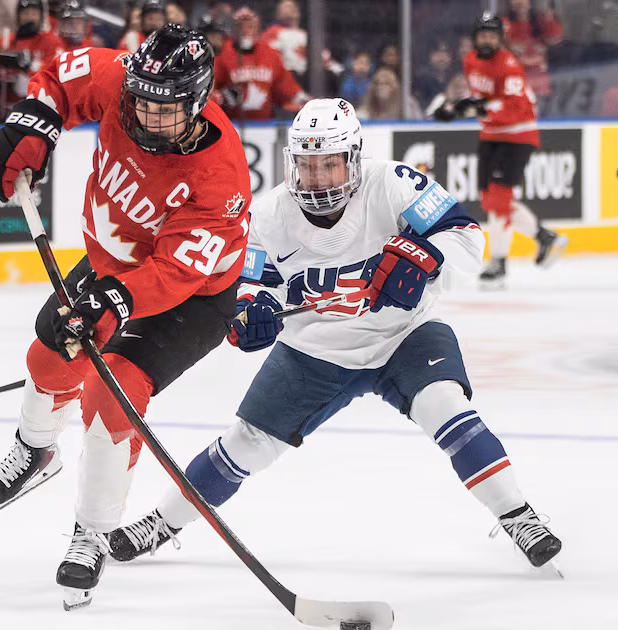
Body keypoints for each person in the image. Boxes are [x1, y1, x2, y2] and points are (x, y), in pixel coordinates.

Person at [106, 98, 564, 579]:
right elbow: (247, 286)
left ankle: (518, 515)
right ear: (292, 163)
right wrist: (251, 311)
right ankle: (161, 522)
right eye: (307, 164)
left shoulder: (393, 182)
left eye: (329, 163)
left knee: (444, 405)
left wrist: (424, 257)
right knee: (246, 443)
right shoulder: (267, 216)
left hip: (404, 336)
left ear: (353, 158)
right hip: (315, 351)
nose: (318, 177)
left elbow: (467, 235)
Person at [0, 24, 251, 609]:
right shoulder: (125, 80)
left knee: (110, 394)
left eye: (164, 109)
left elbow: (176, 273)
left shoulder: (219, 179)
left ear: (197, 102)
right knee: (47, 355)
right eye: (140, 100)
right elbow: (58, 79)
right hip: (111, 265)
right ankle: (36, 447)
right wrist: (33, 124)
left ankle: (92, 532)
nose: (145, 115)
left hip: (189, 298)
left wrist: (110, 305)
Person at [433, 13, 567, 287]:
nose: (487, 40)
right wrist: (455, 108)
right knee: (490, 201)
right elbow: (481, 99)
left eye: (492, 35)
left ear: (500, 38)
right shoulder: (470, 61)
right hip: (491, 135)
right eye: (483, 34)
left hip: (518, 136)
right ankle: (543, 236)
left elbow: (515, 109)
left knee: (500, 200)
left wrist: (475, 109)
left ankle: (499, 262)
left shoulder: (509, 65)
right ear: (475, 38)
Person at [214, 6, 307, 122]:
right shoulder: (222, 54)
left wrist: (303, 100)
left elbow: (286, 87)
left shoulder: (270, 54)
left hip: (264, 126)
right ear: (233, 28)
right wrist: (220, 97)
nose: (245, 30)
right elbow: (210, 88)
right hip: (232, 124)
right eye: (240, 26)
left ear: (257, 27)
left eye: (249, 26)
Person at [0, 0, 61, 120]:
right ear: (18, 16)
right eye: (25, 13)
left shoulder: (51, 42)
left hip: (38, 112)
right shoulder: (5, 41)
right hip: (6, 111)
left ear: (41, 16)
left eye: (34, 14)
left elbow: (52, 76)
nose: (29, 17)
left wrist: (28, 66)